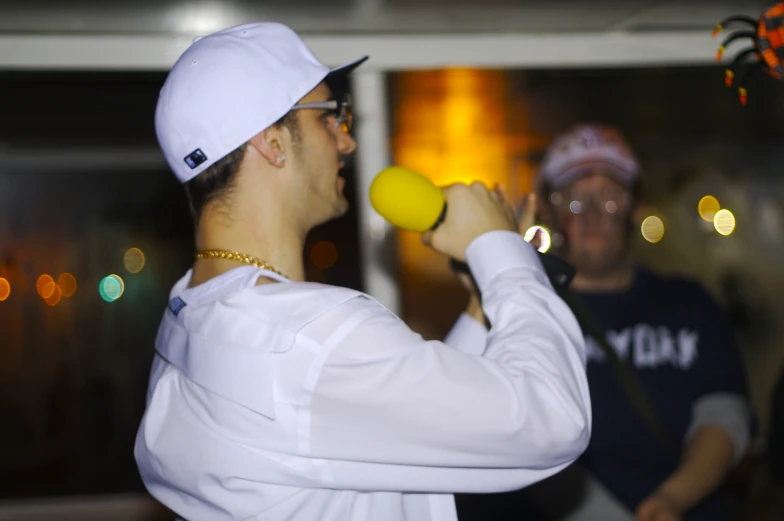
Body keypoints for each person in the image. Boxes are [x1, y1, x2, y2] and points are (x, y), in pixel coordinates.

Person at [133, 22, 592, 521]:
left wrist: (484, 308)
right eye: (330, 116)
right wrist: (502, 253)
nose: (346, 141)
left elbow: (382, 409)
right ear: (271, 142)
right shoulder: (311, 339)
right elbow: (554, 420)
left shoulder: (192, 316)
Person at [447, 124, 752, 521]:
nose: (591, 214)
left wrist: (672, 500)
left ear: (635, 207)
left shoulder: (687, 303)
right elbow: (497, 430)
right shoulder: (518, 306)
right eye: (574, 200)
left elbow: (725, 413)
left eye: (609, 197)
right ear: (550, 212)